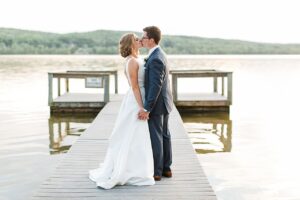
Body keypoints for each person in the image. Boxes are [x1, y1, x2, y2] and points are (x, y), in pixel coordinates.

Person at [89, 33, 155, 189]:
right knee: (133, 133)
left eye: (140, 39)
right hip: (135, 100)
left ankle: (136, 167)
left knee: (137, 135)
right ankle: (129, 169)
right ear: (131, 44)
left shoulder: (137, 58)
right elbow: (134, 86)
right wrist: (142, 107)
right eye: (137, 40)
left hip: (140, 96)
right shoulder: (131, 61)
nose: (140, 41)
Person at [138, 26, 173, 181]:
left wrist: (147, 108)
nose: (142, 39)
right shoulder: (160, 54)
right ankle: (167, 168)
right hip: (165, 102)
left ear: (151, 40)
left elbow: (155, 85)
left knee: (157, 136)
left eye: (144, 37)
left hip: (158, 105)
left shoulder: (156, 58)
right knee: (165, 135)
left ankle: (157, 171)